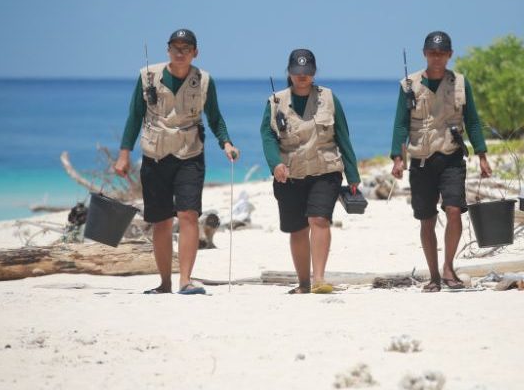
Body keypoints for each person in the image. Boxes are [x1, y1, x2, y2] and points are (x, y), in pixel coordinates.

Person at [114, 29, 239, 295]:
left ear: (195, 52)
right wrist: (124, 154)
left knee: (188, 215)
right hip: (155, 155)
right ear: (168, 50)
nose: (180, 53)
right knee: (160, 221)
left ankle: (185, 280)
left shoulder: (204, 80)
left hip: (190, 154)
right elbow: (135, 116)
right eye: (175, 48)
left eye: (186, 48)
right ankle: (164, 283)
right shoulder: (148, 76)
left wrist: (226, 143)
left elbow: (215, 116)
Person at [390, 31, 492, 292]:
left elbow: (472, 120)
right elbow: (401, 124)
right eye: (432, 53)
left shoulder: (460, 83)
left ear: (450, 55)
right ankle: (434, 275)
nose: (437, 58)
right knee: (427, 219)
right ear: (425, 53)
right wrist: (397, 158)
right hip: (422, 160)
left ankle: (448, 267)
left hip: (451, 156)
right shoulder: (409, 85)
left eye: (442, 53)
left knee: (454, 209)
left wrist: (482, 154)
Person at [260, 49, 360, 295]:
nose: (302, 76)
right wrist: (275, 164)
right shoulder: (275, 101)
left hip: (325, 170)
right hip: (289, 174)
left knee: (319, 220)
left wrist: (353, 175)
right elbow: (268, 136)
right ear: (289, 72)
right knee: (297, 229)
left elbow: (343, 136)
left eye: (307, 72)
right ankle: (303, 283)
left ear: (314, 72)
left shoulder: (329, 98)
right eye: (297, 72)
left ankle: (319, 279)